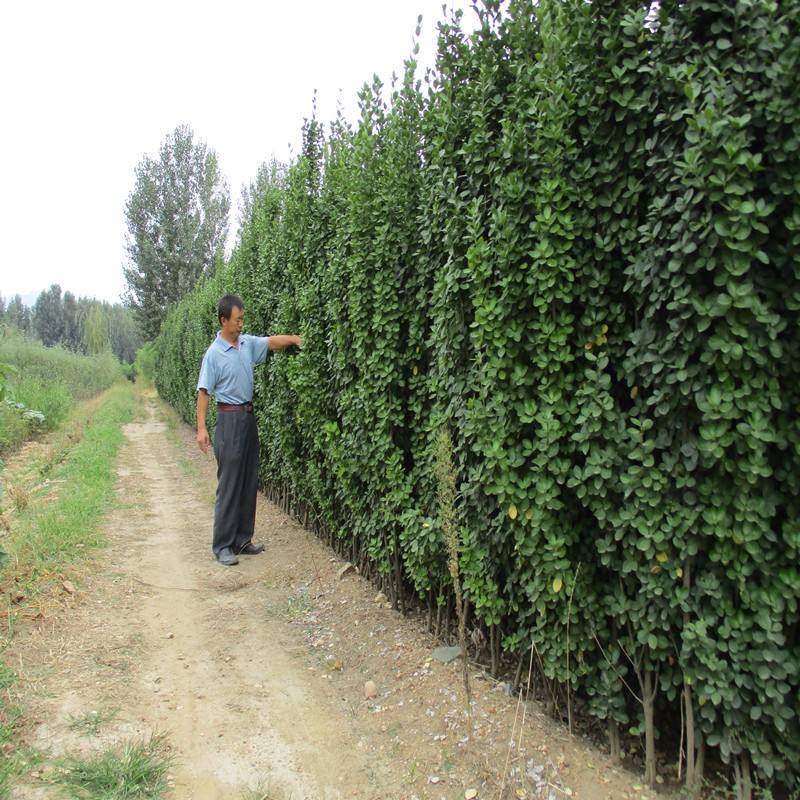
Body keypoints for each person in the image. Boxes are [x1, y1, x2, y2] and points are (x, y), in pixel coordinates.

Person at [196, 294, 301, 566]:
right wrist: (201, 428)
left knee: (248, 480)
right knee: (229, 484)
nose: (241, 324)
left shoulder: (245, 344)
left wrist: (295, 339)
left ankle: (243, 540)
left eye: (242, 319)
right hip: (228, 421)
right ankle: (222, 545)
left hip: (248, 418)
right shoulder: (214, 354)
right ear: (223, 321)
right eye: (237, 320)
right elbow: (204, 392)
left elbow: (270, 342)